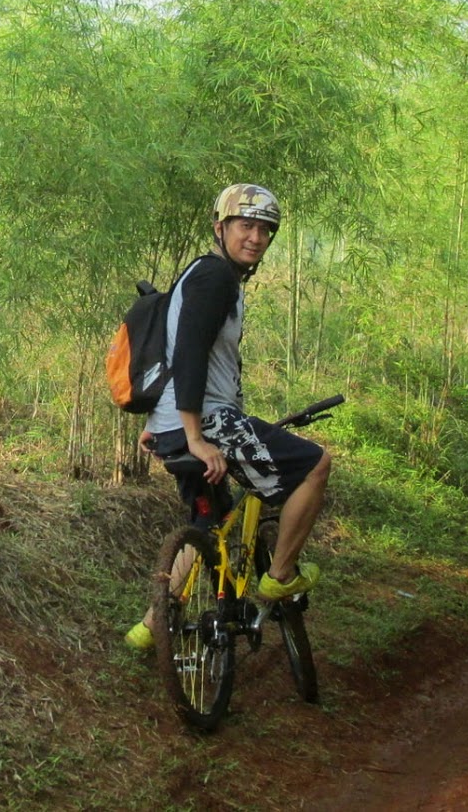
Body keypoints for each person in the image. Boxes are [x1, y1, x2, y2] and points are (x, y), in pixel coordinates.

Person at [125, 183, 333, 651]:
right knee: (315, 466)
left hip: (172, 424)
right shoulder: (216, 277)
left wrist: (159, 423)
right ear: (220, 227)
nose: (256, 238)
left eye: (265, 230)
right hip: (205, 422)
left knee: (209, 523)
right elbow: (189, 355)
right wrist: (195, 437)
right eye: (245, 225)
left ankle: (151, 625)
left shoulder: (199, 274)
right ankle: (280, 576)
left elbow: (167, 350)